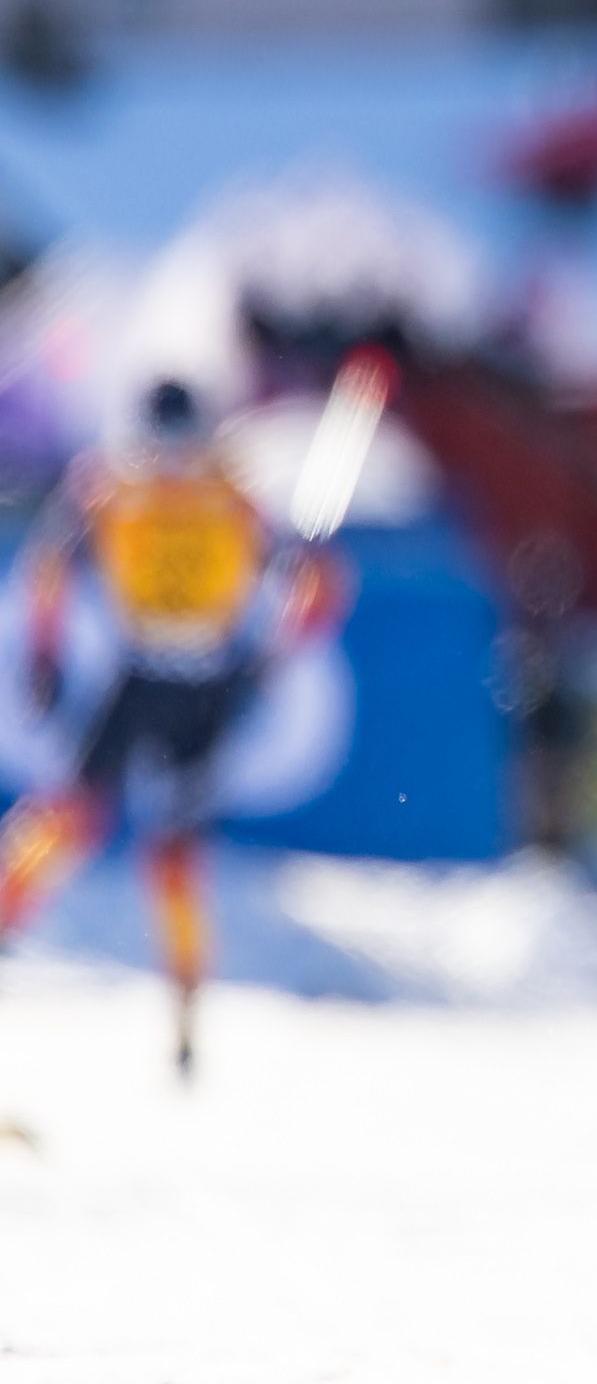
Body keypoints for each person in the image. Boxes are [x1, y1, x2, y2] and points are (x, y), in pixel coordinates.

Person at [0, 379, 344, 1079]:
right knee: (70, 814)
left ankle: (186, 1015)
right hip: (140, 672)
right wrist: (43, 651)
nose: (172, 466)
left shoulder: (234, 500)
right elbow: (49, 568)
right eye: (161, 449)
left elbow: (316, 585)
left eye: (182, 448)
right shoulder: (111, 491)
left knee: (175, 853)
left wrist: (278, 647)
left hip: (203, 684)